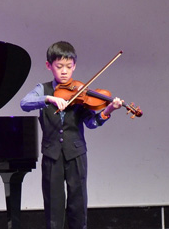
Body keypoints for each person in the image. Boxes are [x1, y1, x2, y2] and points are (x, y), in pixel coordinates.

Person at [20, 41, 123, 229]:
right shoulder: (43, 89)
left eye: (69, 66)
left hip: (76, 153)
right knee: (53, 205)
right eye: (59, 66)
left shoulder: (81, 92)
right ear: (49, 66)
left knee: (78, 203)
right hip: (51, 154)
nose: (64, 71)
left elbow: (91, 123)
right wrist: (48, 99)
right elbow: (25, 103)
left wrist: (109, 109)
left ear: (74, 66)